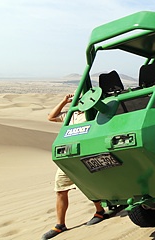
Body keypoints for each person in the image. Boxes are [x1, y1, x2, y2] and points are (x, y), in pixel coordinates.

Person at [42, 94, 108, 240]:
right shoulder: (71, 115)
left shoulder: (92, 114)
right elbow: (51, 117)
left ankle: (100, 211)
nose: (80, 101)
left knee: (89, 185)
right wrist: (64, 101)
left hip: (86, 154)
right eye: (79, 99)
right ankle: (60, 224)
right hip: (68, 156)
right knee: (60, 189)